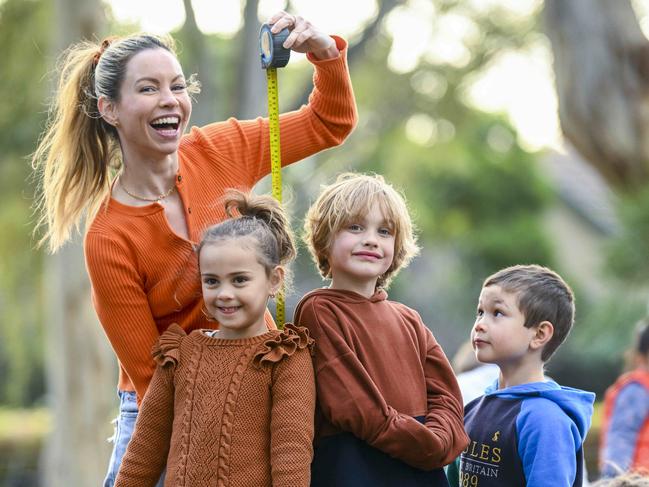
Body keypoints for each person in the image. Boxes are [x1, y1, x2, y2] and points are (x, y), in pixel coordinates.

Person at [31, 11, 356, 487]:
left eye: (177, 86)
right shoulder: (109, 237)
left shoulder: (219, 148)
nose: (171, 101)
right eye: (148, 89)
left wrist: (325, 55)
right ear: (109, 109)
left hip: (257, 372)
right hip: (160, 405)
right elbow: (151, 374)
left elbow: (329, 123)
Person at [113, 190, 315, 486]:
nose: (224, 294)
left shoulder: (284, 358)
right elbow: (144, 452)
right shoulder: (180, 354)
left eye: (240, 280)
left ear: (274, 281)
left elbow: (291, 457)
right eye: (212, 281)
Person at [294, 173, 469, 487]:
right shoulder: (319, 309)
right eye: (355, 227)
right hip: (355, 467)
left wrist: (440, 442)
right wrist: (424, 444)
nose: (371, 239)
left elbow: (446, 395)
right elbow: (353, 407)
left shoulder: (409, 319)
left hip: (420, 468)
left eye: (384, 231)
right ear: (325, 240)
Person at [448, 264, 595, 487]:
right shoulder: (473, 409)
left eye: (497, 313)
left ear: (539, 334)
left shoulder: (546, 421)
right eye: (480, 312)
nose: (480, 325)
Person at [599, 318, 649, 478]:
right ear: (641, 358)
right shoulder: (637, 390)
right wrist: (615, 479)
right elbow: (621, 438)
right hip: (638, 480)